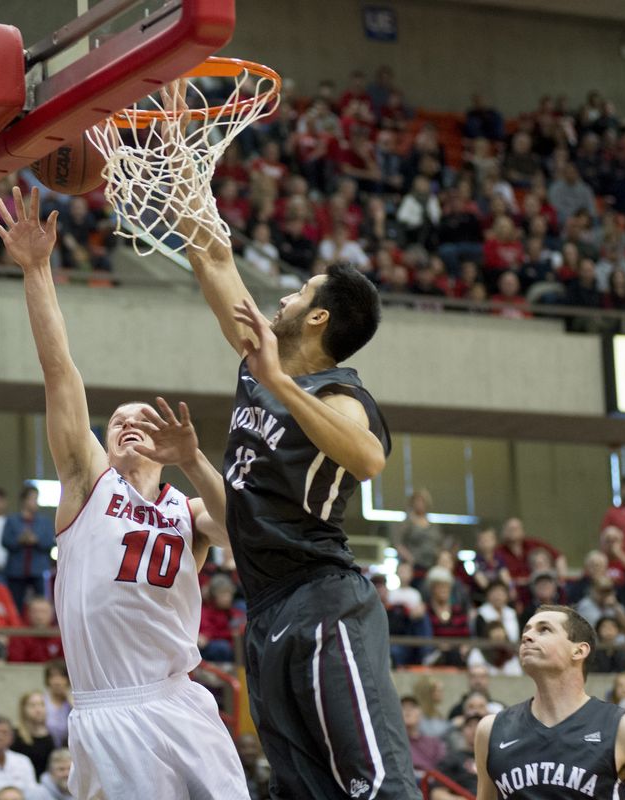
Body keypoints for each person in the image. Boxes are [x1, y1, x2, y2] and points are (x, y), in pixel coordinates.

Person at [175, 129, 419, 797]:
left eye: (296, 292)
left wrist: (281, 385)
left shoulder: (340, 393)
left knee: (377, 784)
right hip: (265, 611)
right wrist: (176, 155)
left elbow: (368, 460)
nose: (280, 298)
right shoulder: (263, 361)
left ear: (316, 321)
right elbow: (211, 254)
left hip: (323, 602)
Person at [0, 186, 248, 799]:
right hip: (108, 708)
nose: (129, 423)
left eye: (143, 418)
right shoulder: (89, 482)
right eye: (117, 421)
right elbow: (60, 372)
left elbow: (249, 531)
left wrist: (197, 461)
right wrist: (37, 270)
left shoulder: (188, 509)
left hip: (180, 698)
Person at [474, 605, 625, 800]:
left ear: (579, 650)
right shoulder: (491, 730)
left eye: (544, 630)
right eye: (526, 630)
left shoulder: (624, 729)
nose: (527, 636)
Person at [0, 487, 54, 612]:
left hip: (38, 569)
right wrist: (19, 540)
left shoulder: (45, 521)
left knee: (41, 602)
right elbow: (4, 541)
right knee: (15, 605)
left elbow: (50, 542)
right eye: (32, 499)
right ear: (24, 500)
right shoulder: (12, 520)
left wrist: (36, 540)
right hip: (16, 571)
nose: (35, 502)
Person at [9, 693, 53, 779]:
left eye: (42, 705)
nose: (38, 709)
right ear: (23, 709)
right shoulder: (15, 736)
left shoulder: (51, 734)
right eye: (32, 705)